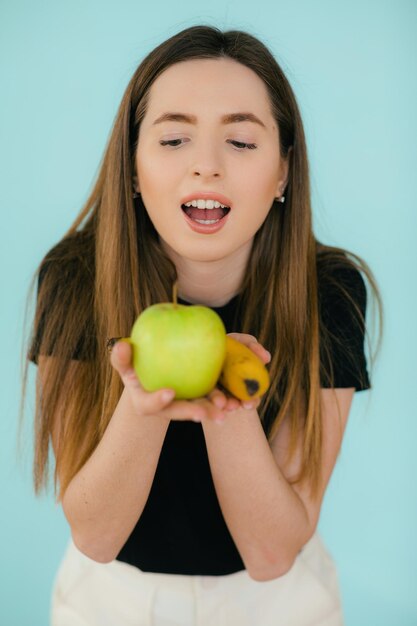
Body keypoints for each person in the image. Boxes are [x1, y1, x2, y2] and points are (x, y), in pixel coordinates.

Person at [24, 24, 383, 626]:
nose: (206, 167)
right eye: (173, 140)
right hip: (109, 600)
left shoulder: (328, 291)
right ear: (132, 170)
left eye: (241, 141)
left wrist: (231, 405)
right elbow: (95, 536)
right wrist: (141, 408)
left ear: (283, 174)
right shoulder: (74, 279)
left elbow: (272, 556)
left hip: (278, 604)